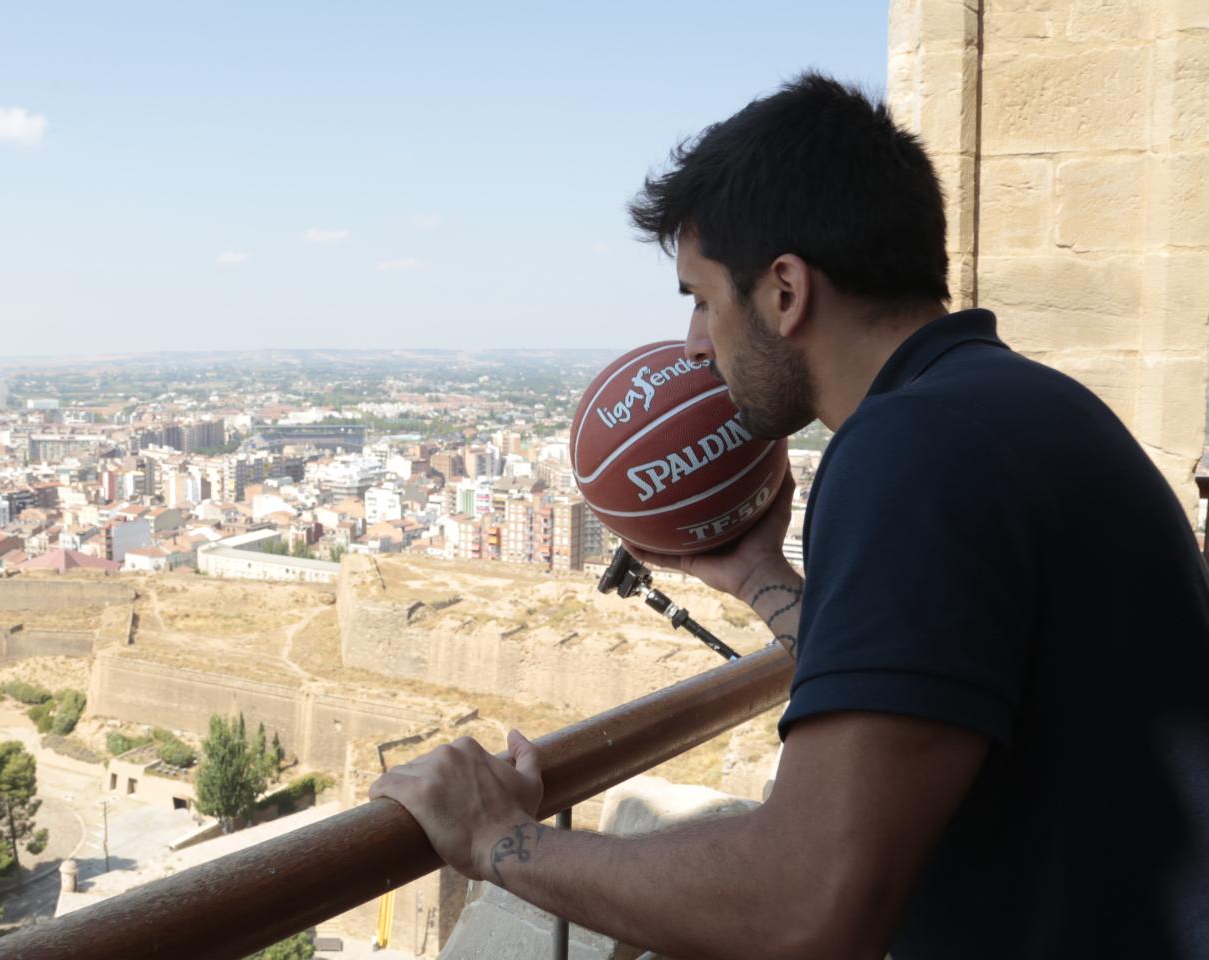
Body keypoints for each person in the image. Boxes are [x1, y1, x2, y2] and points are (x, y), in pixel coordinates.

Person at [370, 72, 1209, 958]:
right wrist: (760, 575)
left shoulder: (911, 450)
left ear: (783, 291)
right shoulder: (1006, 403)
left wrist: (502, 839)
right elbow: (927, 700)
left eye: (700, 296)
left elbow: (807, 904)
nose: (694, 341)